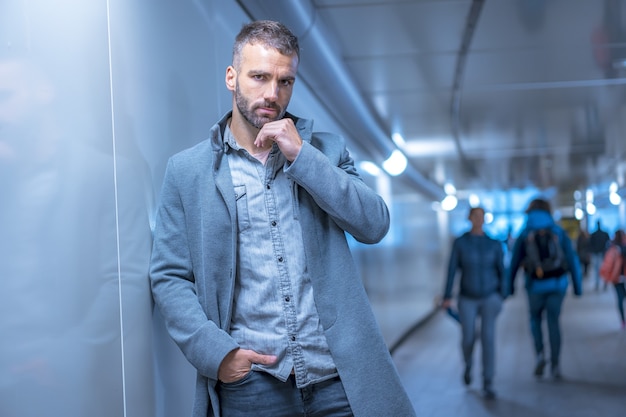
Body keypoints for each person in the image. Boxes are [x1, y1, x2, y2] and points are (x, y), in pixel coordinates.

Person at [149, 20, 416, 417]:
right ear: (231, 77)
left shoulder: (324, 149)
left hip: (337, 381)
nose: (272, 94)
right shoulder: (188, 171)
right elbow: (169, 276)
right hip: (252, 384)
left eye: (285, 81)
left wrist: (303, 157)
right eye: (259, 77)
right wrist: (218, 354)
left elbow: (373, 224)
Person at [507, 198, 582, 380]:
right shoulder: (558, 231)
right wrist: (578, 286)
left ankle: (540, 355)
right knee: (554, 322)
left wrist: (508, 287)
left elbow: (514, 263)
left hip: (535, 286)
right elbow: (572, 259)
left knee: (535, 320)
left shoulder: (525, 233)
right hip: (557, 284)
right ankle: (556, 364)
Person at [441, 207, 505, 400]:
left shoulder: (493, 244)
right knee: (468, 337)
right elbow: (452, 269)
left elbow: (502, 270)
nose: (478, 219)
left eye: (481, 216)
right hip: (467, 297)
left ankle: (488, 382)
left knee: (488, 337)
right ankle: (468, 365)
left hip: (489, 296)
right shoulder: (461, 243)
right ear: (469, 218)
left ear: (485, 219)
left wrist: (502, 294)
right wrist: (447, 296)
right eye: (475, 216)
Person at [599, 230, 626, 329]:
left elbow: (607, 264)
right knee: (620, 298)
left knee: (619, 299)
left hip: (616, 277)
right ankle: (623, 320)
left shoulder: (612, 248)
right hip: (619, 277)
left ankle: (623, 320)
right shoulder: (616, 248)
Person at [589, 220, 610, 290]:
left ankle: (601, 283)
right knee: (601, 270)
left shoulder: (595, 234)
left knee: (599, 270)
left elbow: (590, 244)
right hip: (600, 253)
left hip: (599, 253)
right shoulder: (603, 233)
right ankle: (603, 283)